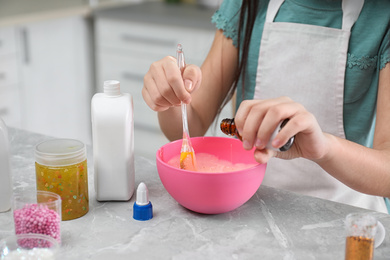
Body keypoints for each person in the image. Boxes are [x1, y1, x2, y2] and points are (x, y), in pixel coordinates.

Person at [142, 0, 390, 213]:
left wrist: (324, 148)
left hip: (345, 217)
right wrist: (171, 98)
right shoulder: (248, 5)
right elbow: (188, 128)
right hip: (250, 209)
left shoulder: (381, 16)